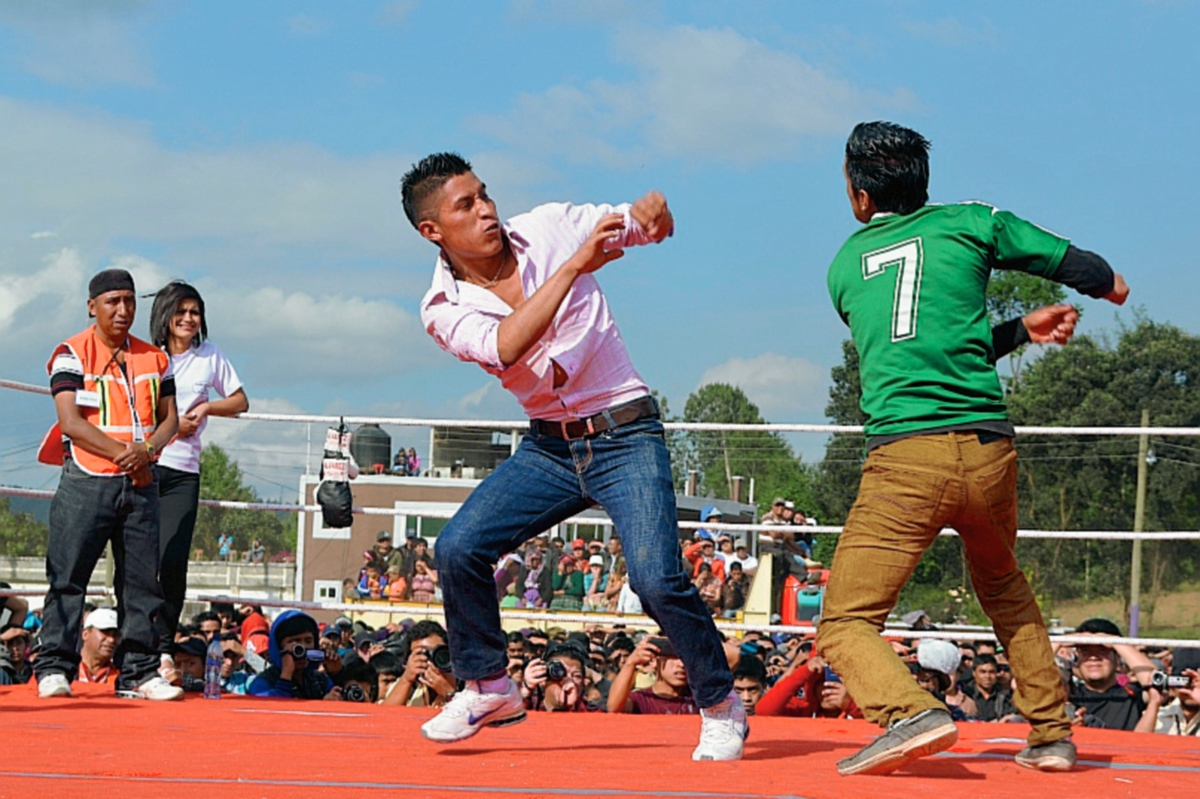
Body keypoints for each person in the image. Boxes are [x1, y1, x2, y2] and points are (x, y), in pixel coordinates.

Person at [404, 153, 742, 759]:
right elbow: (507, 346)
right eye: (466, 205)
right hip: (550, 448)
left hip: (626, 433)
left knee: (656, 579)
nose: (487, 210)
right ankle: (489, 686)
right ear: (433, 231)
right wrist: (577, 267)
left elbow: (642, 226)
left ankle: (720, 704)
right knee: (457, 547)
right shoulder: (440, 307)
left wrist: (654, 214)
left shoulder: (553, 226)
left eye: (485, 195)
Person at [816, 121, 1129, 775]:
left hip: (903, 458)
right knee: (1004, 586)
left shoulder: (845, 267)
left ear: (859, 197)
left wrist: (1015, 330)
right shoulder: (973, 222)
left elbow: (917, 347)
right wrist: (1103, 289)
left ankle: (909, 712)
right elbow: (1085, 270)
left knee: (845, 619)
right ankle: (1050, 732)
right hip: (988, 452)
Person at [33, 268, 182, 701]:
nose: (123, 310)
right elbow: (70, 422)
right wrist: (128, 454)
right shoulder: (71, 353)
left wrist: (149, 450)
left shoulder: (155, 357)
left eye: (130, 301)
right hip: (88, 477)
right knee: (68, 575)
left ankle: (139, 671)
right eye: (113, 301)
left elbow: (169, 418)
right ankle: (53, 668)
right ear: (92, 306)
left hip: (140, 481)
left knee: (141, 582)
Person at [147, 281, 248, 684]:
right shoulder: (147, 356)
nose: (189, 319)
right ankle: (137, 645)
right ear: (165, 315)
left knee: (172, 564)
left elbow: (240, 400)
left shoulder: (210, 356)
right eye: (181, 311)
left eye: (195, 311)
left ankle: (163, 649)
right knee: (139, 563)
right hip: (147, 465)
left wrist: (207, 406)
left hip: (184, 472)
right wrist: (172, 423)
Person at [1068, 618, 1163, 733]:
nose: (1093, 657)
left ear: (1117, 657)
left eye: (1102, 650)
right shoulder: (1068, 695)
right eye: (1086, 650)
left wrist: (1116, 642)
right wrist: (1062, 640)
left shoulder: (1132, 694)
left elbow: (1157, 681)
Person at [247, 610, 337, 700]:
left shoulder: (320, 681)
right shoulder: (263, 682)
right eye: (295, 642)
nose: (303, 647)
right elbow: (271, 707)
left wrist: (337, 673)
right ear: (279, 647)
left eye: (308, 641)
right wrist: (286, 674)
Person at [1155, 648, 1200, 736]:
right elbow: (1134, 745)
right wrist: (1153, 703)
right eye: (1182, 680)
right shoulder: (1158, 716)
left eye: (1196, 681)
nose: (1190, 687)